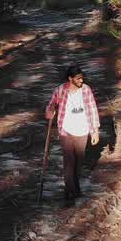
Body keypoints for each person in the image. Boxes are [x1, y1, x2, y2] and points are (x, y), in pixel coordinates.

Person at [45, 65, 101, 205]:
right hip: (66, 130)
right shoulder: (60, 90)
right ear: (70, 79)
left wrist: (95, 131)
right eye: (78, 78)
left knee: (78, 162)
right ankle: (72, 190)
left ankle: (71, 187)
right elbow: (50, 105)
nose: (81, 81)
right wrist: (50, 110)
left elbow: (93, 109)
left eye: (82, 78)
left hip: (82, 130)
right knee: (69, 161)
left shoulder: (86, 90)